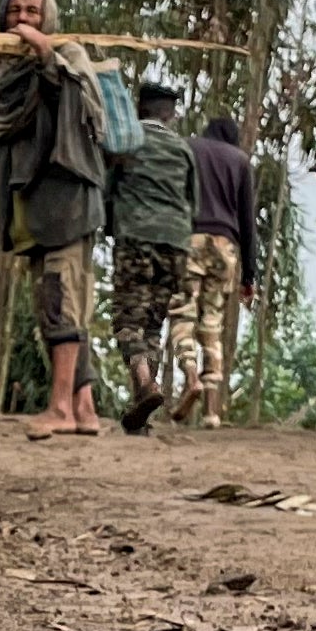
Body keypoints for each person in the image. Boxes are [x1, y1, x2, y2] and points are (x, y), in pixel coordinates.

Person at [0, 0, 110, 440]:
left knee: (61, 301)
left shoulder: (70, 59)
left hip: (65, 203)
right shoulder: (4, 78)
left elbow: (75, 104)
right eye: (14, 12)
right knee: (55, 304)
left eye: (33, 11)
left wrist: (47, 55)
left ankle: (61, 407)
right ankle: (84, 409)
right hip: (29, 210)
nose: (23, 19)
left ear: (48, 18)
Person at [105, 81, 198, 434]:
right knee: (154, 324)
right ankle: (141, 412)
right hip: (176, 243)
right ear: (171, 114)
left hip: (137, 236)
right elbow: (195, 204)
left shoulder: (126, 142)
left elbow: (107, 191)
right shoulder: (184, 150)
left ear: (138, 109)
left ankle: (145, 382)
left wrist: (113, 227)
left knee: (128, 317)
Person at [170, 117, 257, 427]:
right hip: (225, 246)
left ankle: (190, 376)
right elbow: (248, 223)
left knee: (183, 313)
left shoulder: (187, 148)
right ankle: (211, 411)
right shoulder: (240, 160)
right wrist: (249, 276)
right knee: (212, 321)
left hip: (189, 239)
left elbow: (175, 199)